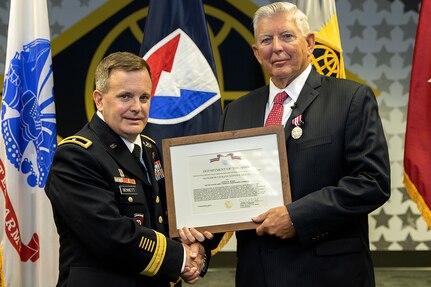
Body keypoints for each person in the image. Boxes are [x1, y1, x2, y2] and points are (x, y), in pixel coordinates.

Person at [184, 2, 390, 286]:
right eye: (266, 40)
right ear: (257, 53)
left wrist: (296, 217)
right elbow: (224, 193)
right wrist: (201, 246)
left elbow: (372, 182)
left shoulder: (350, 99)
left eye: (287, 36)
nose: (276, 47)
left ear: (310, 43)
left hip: (330, 275)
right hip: (257, 275)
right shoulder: (237, 111)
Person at [45, 52, 208, 287]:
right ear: (99, 100)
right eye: (125, 97)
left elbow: (167, 219)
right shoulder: (76, 155)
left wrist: (198, 247)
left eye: (144, 97)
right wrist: (181, 258)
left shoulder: (150, 149)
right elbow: (110, 235)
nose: (137, 107)